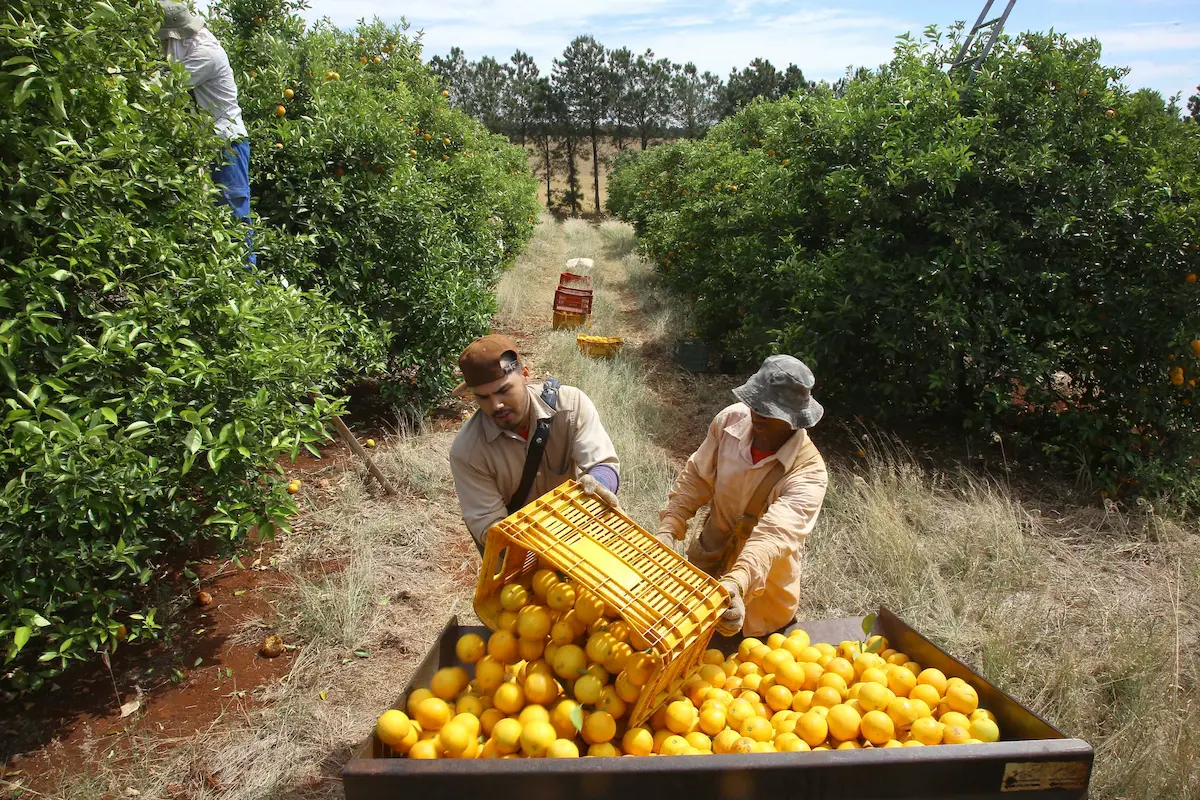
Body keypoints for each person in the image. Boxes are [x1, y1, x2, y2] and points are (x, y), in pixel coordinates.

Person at [656, 355, 828, 637]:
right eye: (755, 404)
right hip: (704, 575)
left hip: (761, 607)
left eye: (768, 411)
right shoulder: (729, 422)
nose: (757, 414)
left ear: (794, 419)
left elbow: (773, 537)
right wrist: (669, 528)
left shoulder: (808, 474)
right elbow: (697, 478)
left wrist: (736, 583)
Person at [449, 334, 620, 554]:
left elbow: (604, 463)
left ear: (525, 375)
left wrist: (598, 483)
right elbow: (489, 525)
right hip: (519, 551)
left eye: (503, 390)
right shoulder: (468, 451)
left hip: (579, 530)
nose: (496, 405)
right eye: (483, 397)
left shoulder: (571, 406)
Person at [156, 1, 255, 265]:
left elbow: (166, 85)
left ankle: (249, 288)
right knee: (212, 217)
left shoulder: (206, 55)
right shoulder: (198, 47)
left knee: (234, 218)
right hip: (214, 145)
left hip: (228, 145)